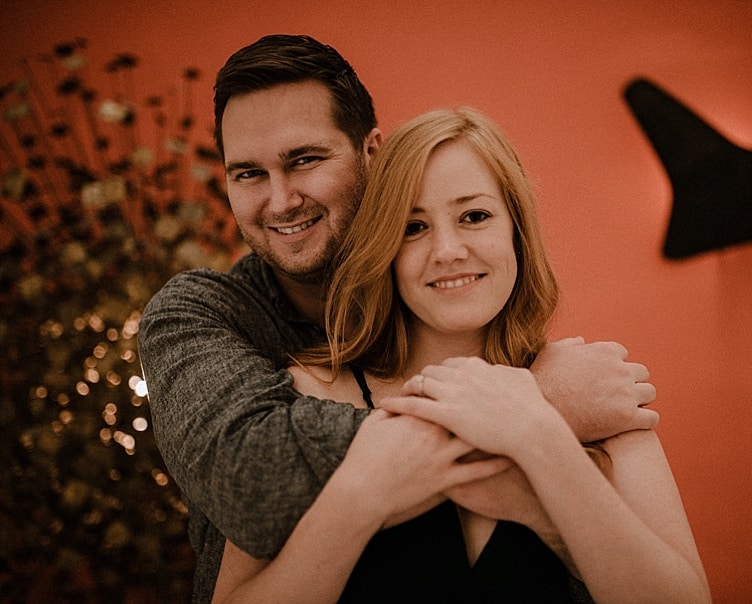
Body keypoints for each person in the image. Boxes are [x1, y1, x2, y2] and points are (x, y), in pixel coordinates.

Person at [138, 35, 660, 602]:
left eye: (304, 160)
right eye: (248, 173)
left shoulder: (580, 383)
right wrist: (535, 405)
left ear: (371, 153)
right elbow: (254, 489)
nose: (281, 200)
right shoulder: (210, 319)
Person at [210, 108, 710, 603]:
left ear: (516, 230)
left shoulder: (596, 396)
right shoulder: (307, 396)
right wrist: (362, 495)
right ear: (384, 247)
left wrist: (542, 454)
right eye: (413, 227)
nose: (448, 250)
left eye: (474, 217)